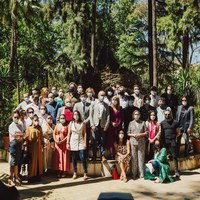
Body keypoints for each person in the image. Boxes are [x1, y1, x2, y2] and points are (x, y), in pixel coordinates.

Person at [89, 91, 110, 161]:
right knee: (94, 141)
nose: (102, 96)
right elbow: (90, 115)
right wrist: (92, 125)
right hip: (95, 125)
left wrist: (106, 125)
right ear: (98, 96)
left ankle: (102, 155)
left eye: (104, 95)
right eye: (101, 95)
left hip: (103, 125)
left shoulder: (106, 105)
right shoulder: (93, 103)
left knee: (102, 140)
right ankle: (94, 155)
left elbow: (108, 116)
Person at [67, 111, 88, 180]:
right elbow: (69, 133)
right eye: (74, 114)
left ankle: (85, 173)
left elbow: (85, 133)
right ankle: (75, 173)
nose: (76, 116)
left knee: (82, 157)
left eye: (77, 114)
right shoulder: (71, 123)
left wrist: (85, 143)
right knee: (74, 158)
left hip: (81, 141)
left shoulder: (83, 123)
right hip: (73, 141)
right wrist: (68, 143)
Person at [127, 110, 148, 179]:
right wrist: (133, 135)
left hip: (141, 142)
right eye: (135, 114)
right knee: (134, 158)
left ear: (140, 115)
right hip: (133, 142)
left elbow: (146, 132)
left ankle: (141, 173)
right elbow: (128, 133)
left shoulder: (143, 122)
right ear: (133, 115)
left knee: (141, 158)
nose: (137, 115)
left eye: (138, 114)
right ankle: (133, 174)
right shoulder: (131, 123)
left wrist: (140, 134)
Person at [160, 110, 180, 177]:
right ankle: (166, 171)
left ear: (171, 114)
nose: (167, 115)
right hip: (164, 142)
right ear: (164, 115)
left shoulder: (175, 122)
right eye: (165, 114)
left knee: (174, 156)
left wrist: (174, 138)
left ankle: (176, 171)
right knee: (164, 157)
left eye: (168, 114)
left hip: (172, 142)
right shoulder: (162, 123)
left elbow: (178, 133)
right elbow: (161, 133)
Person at [8, 111, 25, 186]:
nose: (16, 118)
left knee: (17, 162)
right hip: (13, 145)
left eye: (17, 117)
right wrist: (20, 135)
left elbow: (23, 134)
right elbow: (15, 135)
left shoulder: (20, 125)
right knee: (13, 161)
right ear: (12, 117)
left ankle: (16, 177)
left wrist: (20, 135)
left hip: (19, 145)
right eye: (15, 117)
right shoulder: (11, 126)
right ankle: (10, 178)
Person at [26, 115, 43, 183]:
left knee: (38, 161)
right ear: (32, 121)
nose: (36, 121)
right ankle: (31, 177)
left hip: (38, 147)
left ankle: (37, 176)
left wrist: (42, 145)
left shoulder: (39, 128)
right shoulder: (29, 128)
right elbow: (27, 138)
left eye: (37, 120)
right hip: (32, 147)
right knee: (32, 161)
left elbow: (41, 137)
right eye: (35, 120)